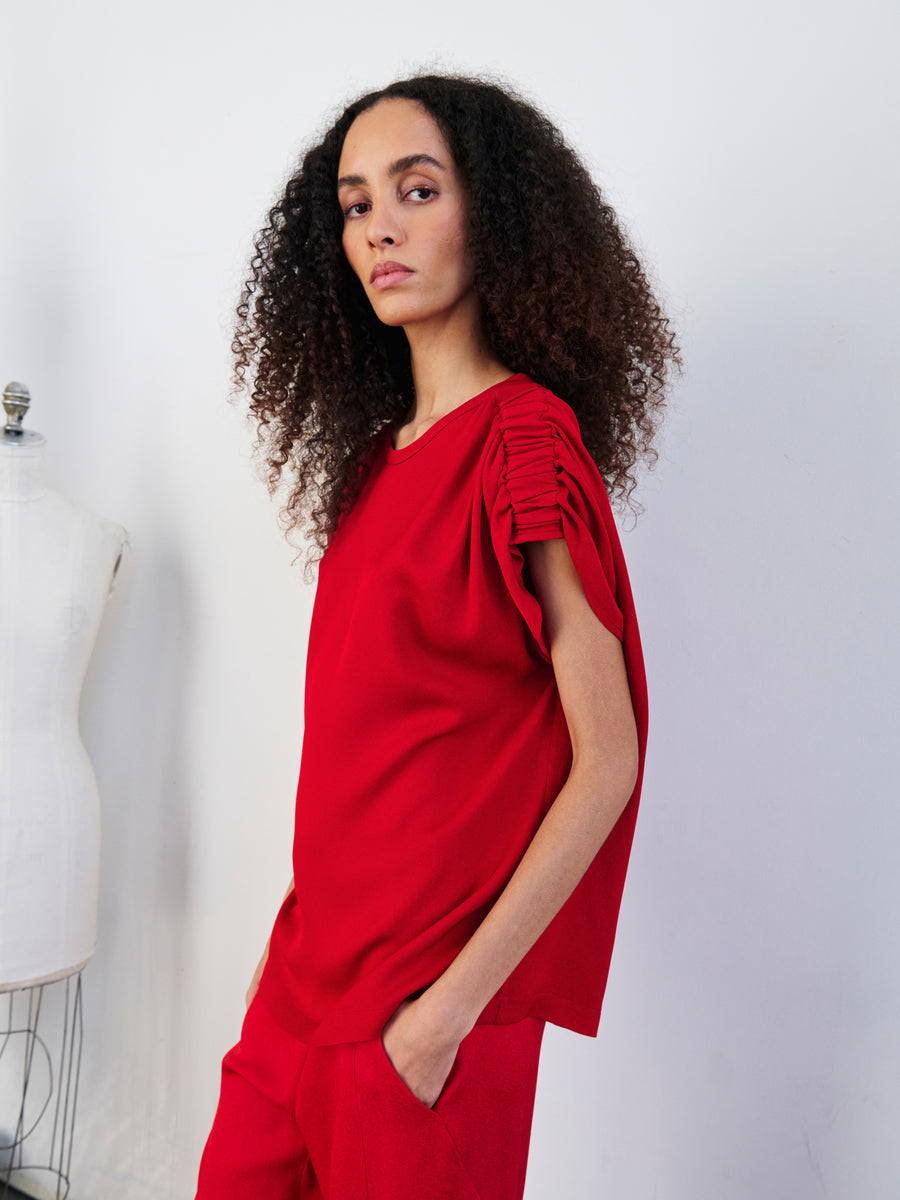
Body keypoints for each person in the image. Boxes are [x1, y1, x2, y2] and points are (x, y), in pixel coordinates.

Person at [194, 73, 680, 1200]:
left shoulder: (525, 442)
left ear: (497, 216)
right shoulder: (374, 465)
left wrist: (444, 1016)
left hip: (427, 1019)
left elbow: (608, 757)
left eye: (417, 189)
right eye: (357, 204)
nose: (380, 229)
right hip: (302, 993)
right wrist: (284, 955)